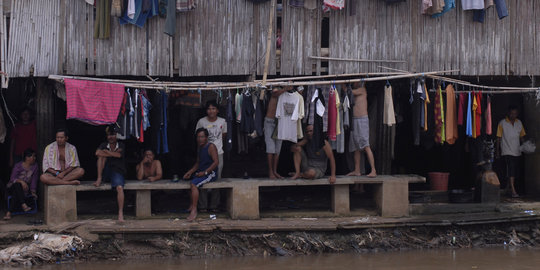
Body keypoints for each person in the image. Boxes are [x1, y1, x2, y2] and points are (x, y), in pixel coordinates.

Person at [195, 100, 226, 212]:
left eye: (213, 108)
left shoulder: (223, 121)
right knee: (202, 178)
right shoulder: (201, 122)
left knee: (216, 180)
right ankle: (202, 206)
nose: (211, 111)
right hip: (204, 154)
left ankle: (214, 205)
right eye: (209, 108)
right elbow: (198, 138)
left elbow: (223, 137)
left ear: (217, 110)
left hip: (218, 154)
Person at [183, 128, 219, 221]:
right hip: (202, 172)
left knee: (194, 184)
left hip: (211, 173)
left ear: (206, 137)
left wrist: (205, 172)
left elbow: (216, 162)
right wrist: (190, 172)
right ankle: (192, 205)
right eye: (198, 137)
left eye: (202, 137)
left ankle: (194, 210)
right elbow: (198, 163)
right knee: (187, 181)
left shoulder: (211, 147)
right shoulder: (200, 147)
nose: (200, 139)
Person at [94, 126, 126, 221]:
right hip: (106, 172)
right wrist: (112, 154)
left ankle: (120, 213)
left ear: (116, 135)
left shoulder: (121, 145)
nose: (111, 137)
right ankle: (99, 178)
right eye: (109, 135)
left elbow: (119, 155)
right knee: (101, 158)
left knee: (119, 188)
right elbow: (97, 153)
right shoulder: (104, 144)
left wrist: (107, 152)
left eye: (113, 135)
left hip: (117, 171)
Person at [347, 82, 377, 178]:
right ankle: (357, 170)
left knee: (365, 145)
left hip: (362, 120)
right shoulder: (356, 90)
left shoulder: (362, 90)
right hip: (355, 119)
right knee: (356, 146)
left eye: (355, 81)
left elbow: (349, 92)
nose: (354, 83)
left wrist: (343, 84)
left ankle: (373, 170)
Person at [496, 105, 526, 198]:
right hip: (507, 150)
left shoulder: (519, 123)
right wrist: (497, 150)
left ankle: (507, 188)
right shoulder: (502, 123)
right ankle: (513, 191)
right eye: (512, 113)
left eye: (515, 113)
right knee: (511, 169)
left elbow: (522, 137)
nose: (513, 115)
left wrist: (525, 146)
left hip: (517, 150)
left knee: (513, 171)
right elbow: (498, 138)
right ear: (508, 113)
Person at [3, 149, 38, 220]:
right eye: (33, 156)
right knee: (17, 185)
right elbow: (12, 178)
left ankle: (9, 213)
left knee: (17, 192)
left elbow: (34, 179)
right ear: (27, 158)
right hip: (12, 187)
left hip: (25, 189)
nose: (34, 158)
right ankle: (23, 205)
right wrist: (22, 182)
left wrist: (33, 192)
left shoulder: (35, 166)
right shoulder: (18, 165)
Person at [265, 86, 287, 179]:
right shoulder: (275, 92)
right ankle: (270, 171)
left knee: (277, 149)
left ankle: (275, 171)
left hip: (281, 122)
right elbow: (274, 94)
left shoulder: (287, 94)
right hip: (270, 122)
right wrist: (286, 88)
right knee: (271, 148)